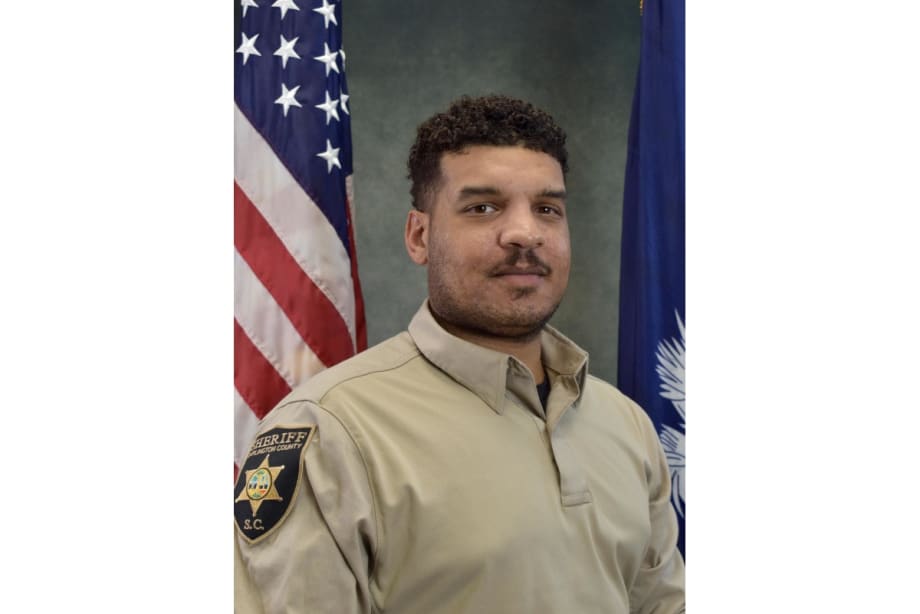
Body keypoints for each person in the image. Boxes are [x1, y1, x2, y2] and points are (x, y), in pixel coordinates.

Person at [234, 94, 686, 613]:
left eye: (547, 208)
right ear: (419, 236)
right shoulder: (331, 433)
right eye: (482, 207)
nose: (525, 232)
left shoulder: (625, 424)